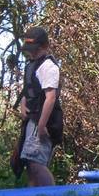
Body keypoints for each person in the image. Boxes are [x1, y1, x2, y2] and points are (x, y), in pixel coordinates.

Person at [14, 26, 63, 187]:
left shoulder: (49, 67)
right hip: (32, 121)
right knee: (30, 165)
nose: (31, 53)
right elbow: (29, 92)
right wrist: (23, 105)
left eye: (35, 49)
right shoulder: (32, 65)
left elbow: (50, 98)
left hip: (44, 123)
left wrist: (41, 126)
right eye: (29, 50)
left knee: (36, 164)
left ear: (45, 46)